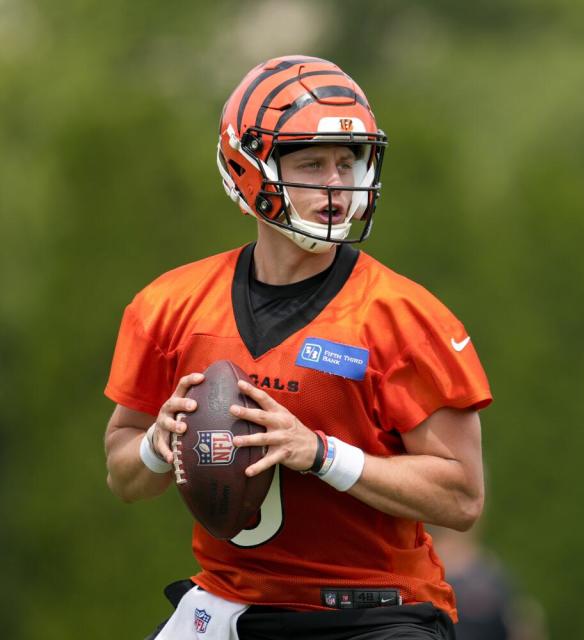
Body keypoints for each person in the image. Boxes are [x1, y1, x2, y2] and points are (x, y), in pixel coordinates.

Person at [103, 55, 492, 640]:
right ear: (248, 168)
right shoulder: (170, 306)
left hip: (370, 613)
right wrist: (158, 445)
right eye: (312, 163)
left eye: (348, 162)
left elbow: (462, 497)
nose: (337, 185)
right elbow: (123, 475)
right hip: (228, 603)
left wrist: (320, 453)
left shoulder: (404, 318)